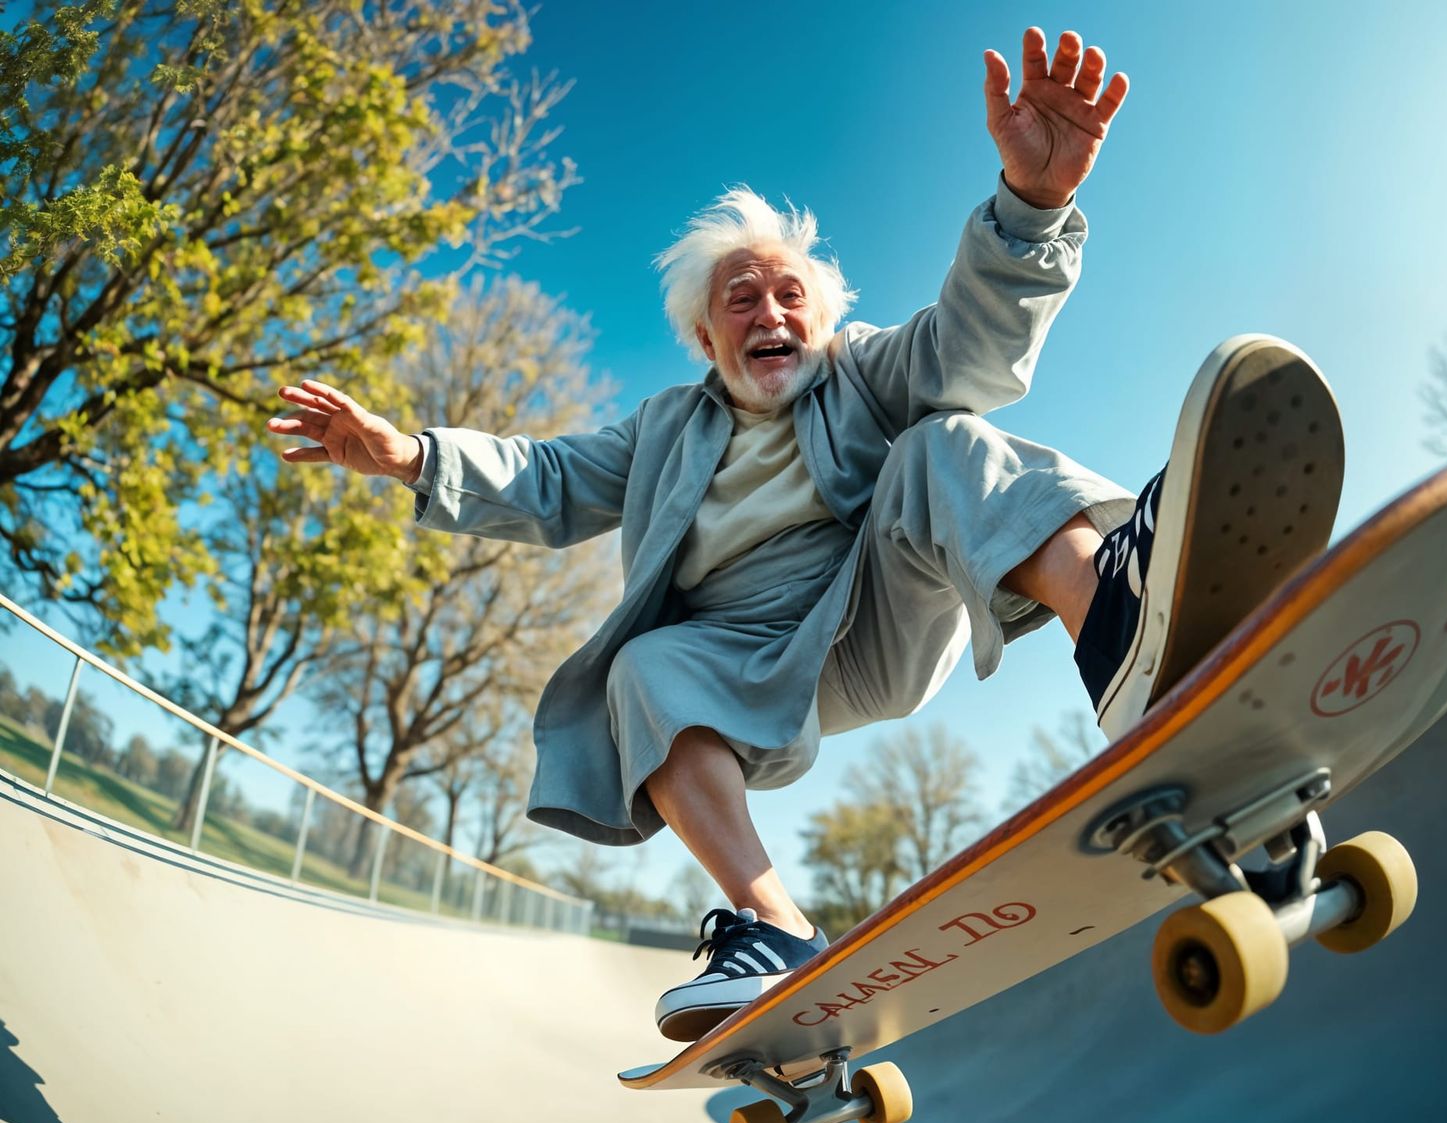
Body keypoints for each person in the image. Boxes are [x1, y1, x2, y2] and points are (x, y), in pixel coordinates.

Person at [267, 28, 1342, 1042]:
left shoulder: (863, 371)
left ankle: (1116, 628)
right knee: (639, 666)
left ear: (821, 321)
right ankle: (771, 927)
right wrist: (405, 454)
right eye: (741, 300)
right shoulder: (660, 432)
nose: (768, 313)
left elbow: (966, 352)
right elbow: (545, 478)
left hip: (868, 621)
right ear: (703, 335)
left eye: (789, 295)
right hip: (738, 667)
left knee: (939, 444)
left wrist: (1032, 202)